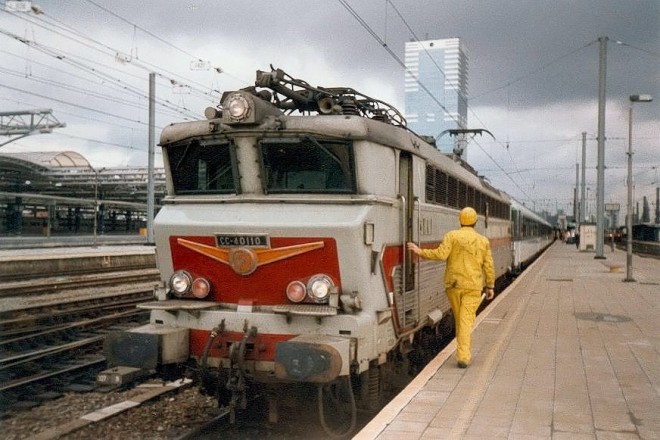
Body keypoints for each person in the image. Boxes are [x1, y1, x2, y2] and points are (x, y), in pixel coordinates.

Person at [407, 207, 495, 369]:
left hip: (453, 286)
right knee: (465, 321)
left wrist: (419, 251)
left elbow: (440, 255)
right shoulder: (483, 241)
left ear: (460, 220)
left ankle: (462, 353)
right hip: (473, 287)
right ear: (475, 222)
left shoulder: (452, 236)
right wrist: (490, 286)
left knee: (460, 319)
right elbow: (488, 265)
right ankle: (463, 356)